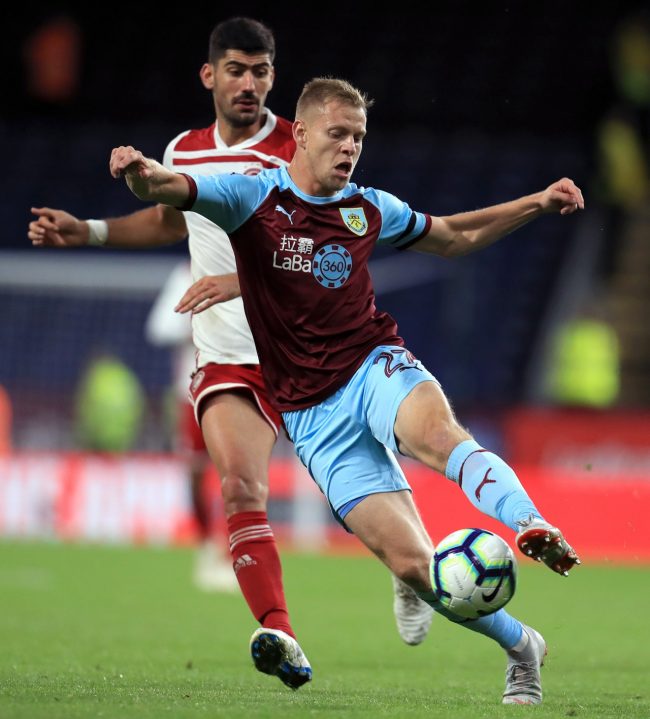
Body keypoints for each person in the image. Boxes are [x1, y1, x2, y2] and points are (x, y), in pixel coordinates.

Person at [102, 77, 583, 704]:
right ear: (300, 135)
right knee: (416, 567)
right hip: (312, 416)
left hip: (373, 364)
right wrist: (139, 173)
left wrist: (537, 203)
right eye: (338, 134)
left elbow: (454, 237)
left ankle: (529, 522)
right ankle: (522, 646)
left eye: (358, 136)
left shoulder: (368, 208)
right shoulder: (251, 195)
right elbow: (171, 189)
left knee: (439, 436)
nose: (350, 147)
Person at [28, 17, 312, 690]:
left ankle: (413, 572)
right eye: (236, 70)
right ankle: (281, 633)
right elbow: (166, 219)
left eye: (261, 71)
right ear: (209, 76)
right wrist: (89, 230)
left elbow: (324, 245)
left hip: (308, 349)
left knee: (369, 501)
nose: (248, 83)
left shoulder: (299, 148)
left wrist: (240, 280)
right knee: (240, 487)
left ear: (274, 76)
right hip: (231, 357)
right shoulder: (183, 150)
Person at [145, 259, 238, 592]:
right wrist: (200, 327)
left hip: (238, 387)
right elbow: (159, 328)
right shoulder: (186, 273)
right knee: (197, 472)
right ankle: (206, 545)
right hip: (191, 390)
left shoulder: (246, 263)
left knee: (238, 473)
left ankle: (235, 555)